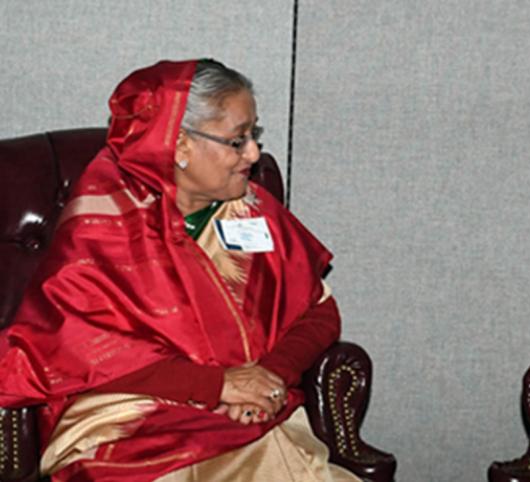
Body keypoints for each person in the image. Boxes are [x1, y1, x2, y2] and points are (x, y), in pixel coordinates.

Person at [0, 59, 360, 481]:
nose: (254, 154)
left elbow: (319, 311)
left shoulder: (252, 211)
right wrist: (216, 386)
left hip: (250, 412)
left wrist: (269, 376)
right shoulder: (105, 222)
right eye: (237, 140)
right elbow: (70, 352)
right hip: (127, 418)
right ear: (181, 144)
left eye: (253, 136)